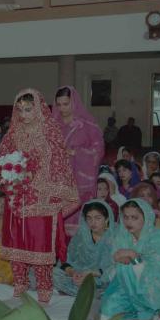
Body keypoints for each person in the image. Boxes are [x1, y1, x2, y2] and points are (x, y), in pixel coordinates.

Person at [0, 89, 79, 303]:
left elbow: (59, 165)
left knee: (40, 246)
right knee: (17, 245)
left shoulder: (49, 132)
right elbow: (2, 162)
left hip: (41, 197)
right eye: (20, 110)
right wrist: (11, 178)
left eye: (28, 109)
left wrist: (41, 186)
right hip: (17, 197)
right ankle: (20, 286)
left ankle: (44, 290)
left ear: (39, 109)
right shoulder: (12, 134)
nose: (24, 114)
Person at [100, 199, 160, 320]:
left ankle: (146, 311)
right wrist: (117, 261)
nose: (128, 222)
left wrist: (134, 257)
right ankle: (135, 311)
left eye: (134, 218)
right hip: (125, 288)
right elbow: (111, 272)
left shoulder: (159, 237)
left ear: (146, 218)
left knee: (125, 267)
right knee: (107, 311)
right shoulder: (121, 237)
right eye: (125, 217)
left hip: (150, 291)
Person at [52, 86, 104, 224]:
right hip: (59, 178)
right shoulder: (52, 126)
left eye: (66, 104)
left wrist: (76, 152)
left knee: (79, 214)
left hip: (80, 179)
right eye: (59, 104)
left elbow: (98, 150)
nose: (62, 108)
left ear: (74, 102)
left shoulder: (87, 124)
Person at [53, 200, 114, 296]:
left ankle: (88, 292)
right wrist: (72, 272)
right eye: (89, 218)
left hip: (100, 277)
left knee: (114, 281)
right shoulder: (81, 235)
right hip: (78, 274)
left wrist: (91, 274)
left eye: (98, 218)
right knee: (50, 272)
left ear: (107, 219)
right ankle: (83, 292)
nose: (93, 222)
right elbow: (66, 258)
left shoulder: (115, 236)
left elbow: (115, 268)